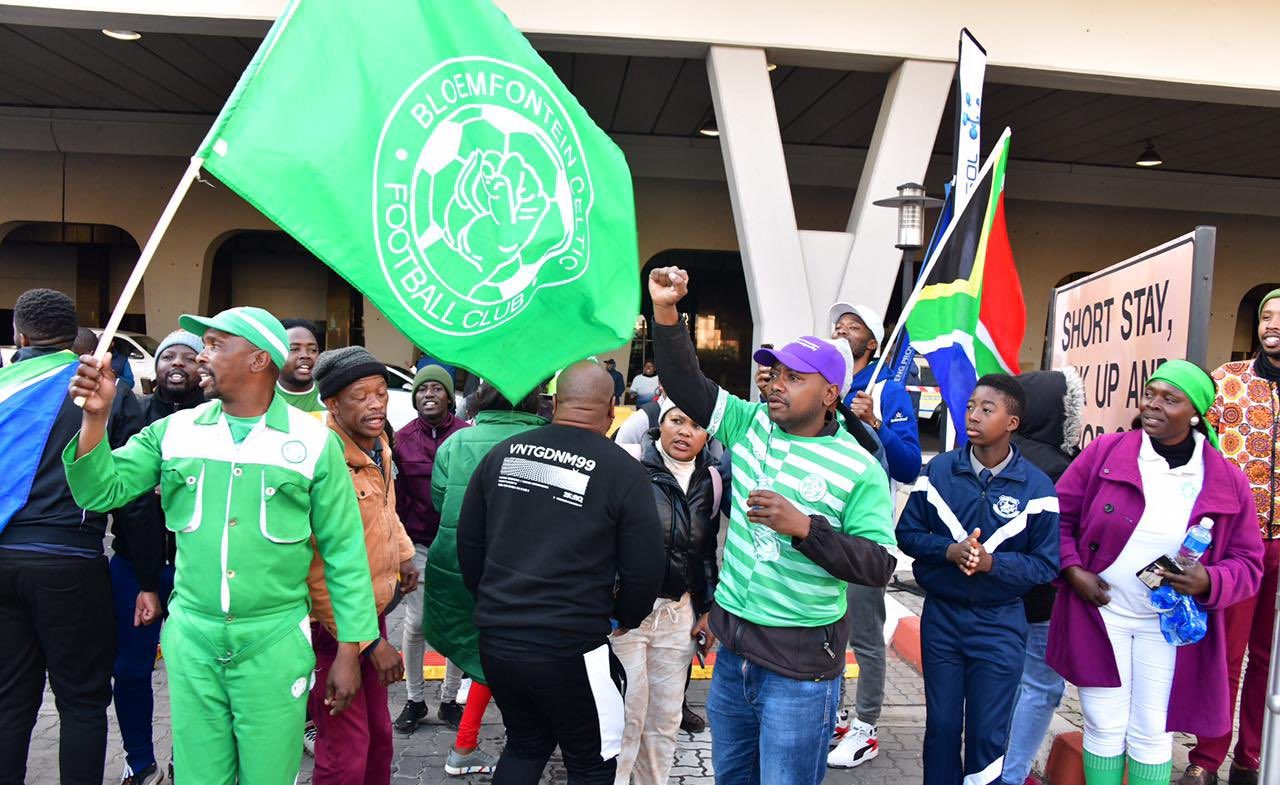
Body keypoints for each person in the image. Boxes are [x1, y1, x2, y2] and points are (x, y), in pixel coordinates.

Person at [63, 305, 380, 785]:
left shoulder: (314, 445)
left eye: (214, 345)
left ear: (257, 360)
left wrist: (351, 650)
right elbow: (98, 490)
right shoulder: (175, 432)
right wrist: (95, 418)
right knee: (199, 776)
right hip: (192, 641)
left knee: (268, 775)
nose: (201, 356)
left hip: (273, 642)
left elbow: (344, 555)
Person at [648, 266, 897, 785]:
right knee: (731, 778)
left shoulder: (860, 468)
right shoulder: (752, 423)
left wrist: (805, 528)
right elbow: (686, 384)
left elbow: (879, 565)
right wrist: (667, 312)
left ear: (831, 394)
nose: (777, 385)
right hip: (734, 655)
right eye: (776, 373)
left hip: (800, 671)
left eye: (793, 378)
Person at [1047, 360, 1264, 785]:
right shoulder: (1106, 451)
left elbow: (1248, 562)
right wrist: (1072, 570)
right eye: (1150, 394)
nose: (1154, 404)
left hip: (1167, 624)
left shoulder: (1225, 478)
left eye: (1170, 399)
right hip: (1102, 614)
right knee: (1103, 725)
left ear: (1196, 412)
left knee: (1151, 732)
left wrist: (1210, 581)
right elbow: (1057, 517)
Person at [458, 362, 664, 785]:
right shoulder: (623, 470)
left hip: (498, 642)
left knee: (524, 745)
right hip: (572, 647)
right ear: (612, 408)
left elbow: (468, 544)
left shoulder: (504, 454)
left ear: (554, 404)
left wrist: (495, 604)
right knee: (592, 763)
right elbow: (645, 567)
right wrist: (625, 616)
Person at [0, 288, 143, 785]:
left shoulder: (3, 387)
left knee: (10, 699)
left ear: (19, 333)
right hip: (69, 558)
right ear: (71, 332)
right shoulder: (103, 389)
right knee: (81, 700)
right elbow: (129, 488)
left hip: (3, 557)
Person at [896, 374, 1059, 785]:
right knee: (943, 729)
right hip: (943, 620)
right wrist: (948, 552)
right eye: (970, 406)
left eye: (987, 409)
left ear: (1012, 423)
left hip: (1000, 623)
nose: (973, 415)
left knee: (988, 735)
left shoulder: (1036, 486)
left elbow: (1045, 565)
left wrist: (993, 565)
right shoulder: (939, 472)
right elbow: (907, 534)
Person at [422, 381, 548, 776]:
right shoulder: (543, 443)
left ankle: (466, 744)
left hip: (455, 563)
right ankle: (515, 743)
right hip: (521, 568)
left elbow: (440, 502)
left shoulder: (457, 442)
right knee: (514, 654)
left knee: (483, 654)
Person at [306, 347, 419, 785]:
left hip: (373, 611)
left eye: (380, 393)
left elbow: (387, 511)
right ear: (332, 403)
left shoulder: (378, 446)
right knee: (344, 751)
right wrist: (368, 644)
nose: (375, 404)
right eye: (361, 396)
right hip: (334, 625)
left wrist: (405, 554)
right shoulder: (323, 456)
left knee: (379, 737)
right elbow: (317, 566)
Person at [1181, 289, 1280, 785]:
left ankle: (1253, 755)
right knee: (1228, 651)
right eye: (1265, 316)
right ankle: (1207, 759)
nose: (1272, 325)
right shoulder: (1226, 382)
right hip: (1238, 544)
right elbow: (1200, 454)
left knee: (1271, 655)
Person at [826, 302, 923, 769]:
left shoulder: (886, 390)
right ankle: (834, 716)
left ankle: (865, 728)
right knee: (827, 627)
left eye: (854, 326)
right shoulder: (825, 386)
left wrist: (874, 423)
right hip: (820, 529)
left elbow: (907, 466)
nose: (843, 331)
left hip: (863, 532)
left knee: (864, 634)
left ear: (873, 342)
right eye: (838, 326)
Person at [110, 330, 207, 785]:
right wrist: (148, 579)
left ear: (201, 368)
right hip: (134, 569)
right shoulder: (136, 416)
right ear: (156, 365)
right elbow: (125, 496)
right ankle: (139, 759)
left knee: (196, 673)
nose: (178, 363)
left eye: (189, 357)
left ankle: (187, 761)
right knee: (130, 670)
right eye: (169, 354)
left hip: (198, 570)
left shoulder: (216, 422)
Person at [613, 398, 722, 785]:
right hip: (627, 618)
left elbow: (705, 551)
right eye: (677, 420)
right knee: (627, 717)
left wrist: (707, 609)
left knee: (665, 719)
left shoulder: (711, 479)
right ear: (661, 423)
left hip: (679, 617)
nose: (685, 432)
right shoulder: (628, 467)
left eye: (696, 425)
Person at [999, 368, 1085, 785]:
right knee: (1040, 687)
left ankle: (993, 764)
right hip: (1040, 601)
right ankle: (1012, 775)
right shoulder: (1061, 467)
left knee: (1006, 684)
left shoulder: (994, 452)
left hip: (993, 594)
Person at [392, 364, 471, 734]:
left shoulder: (468, 437)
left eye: (437, 389)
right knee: (419, 621)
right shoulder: (402, 440)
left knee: (458, 621)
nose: (429, 395)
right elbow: (396, 500)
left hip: (458, 544)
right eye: (423, 390)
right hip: (419, 543)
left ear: (449, 396)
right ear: (414, 397)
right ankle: (415, 698)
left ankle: (450, 699)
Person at [276, 317, 326, 413]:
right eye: (294, 349)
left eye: (312, 350)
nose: (305, 355)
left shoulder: (331, 391)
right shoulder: (262, 395)